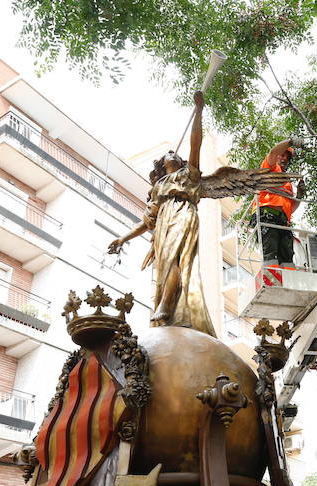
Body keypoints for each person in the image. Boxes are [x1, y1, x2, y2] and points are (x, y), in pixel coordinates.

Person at [108, 91, 298, 336]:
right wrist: (123, 238)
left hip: (183, 214)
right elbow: (147, 222)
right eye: (168, 154)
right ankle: (167, 305)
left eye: (176, 154)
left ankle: (166, 306)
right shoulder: (159, 188)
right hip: (165, 221)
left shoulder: (189, 175)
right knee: (166, 264)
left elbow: (194, 143)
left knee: (177, 258)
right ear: (162, 163)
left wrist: (198, 111)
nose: (173, 154)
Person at [252, 138, 306, 267]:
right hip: (267, 216)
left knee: (287, 257)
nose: (284, 159)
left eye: (286, 157)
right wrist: (290, 142)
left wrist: (299, 195)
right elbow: (272, 153)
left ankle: (288, 279)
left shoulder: (287, 183)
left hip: (283, 222)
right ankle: (272, 277)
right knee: (271, 253)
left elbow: (290, 209)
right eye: (282, 155)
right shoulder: (269, 169)